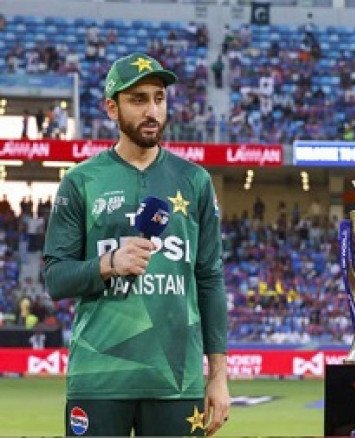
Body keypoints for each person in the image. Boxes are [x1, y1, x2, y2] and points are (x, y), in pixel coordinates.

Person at [43, 53, 230, 437]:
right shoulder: (80, 181)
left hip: (177, 380)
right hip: (99, 377)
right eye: (138, 99)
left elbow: (210, 280)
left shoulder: (195, 181)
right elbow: (56, 278)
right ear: (112, 108)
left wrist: (218, 376)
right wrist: (109, 262)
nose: (152, 111)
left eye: (159, 98)